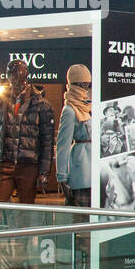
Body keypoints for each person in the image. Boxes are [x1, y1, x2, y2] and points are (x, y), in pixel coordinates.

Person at [0, 58, 55, 269]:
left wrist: (43, 173)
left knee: (23, 221)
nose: (14, 77)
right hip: (3, 165)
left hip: (27, 166)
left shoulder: (42, 105)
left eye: (18, 73)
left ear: (26, 75)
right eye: (11, 73)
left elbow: (46, 142)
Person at [56, 64, 92, 207]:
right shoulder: (69, 110)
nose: (85, 87)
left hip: (94, 168)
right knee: (81, 217)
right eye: (81, 84)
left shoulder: (88, 106)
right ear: (73, 84)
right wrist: (62, 177)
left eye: (87, 84)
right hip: (81, 169)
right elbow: (62, 146)